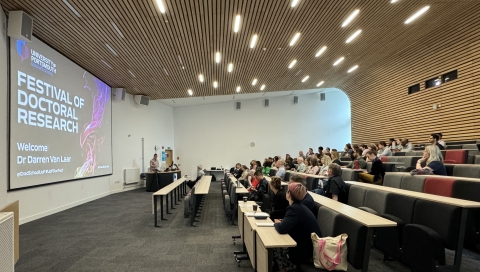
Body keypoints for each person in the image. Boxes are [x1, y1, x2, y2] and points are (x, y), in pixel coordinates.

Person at [273, 183, 322, 272]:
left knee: (278, 248)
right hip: (310, 245)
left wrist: (276, 223)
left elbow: (281, 229)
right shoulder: (299, 206)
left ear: (288, 194)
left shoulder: (293, 209)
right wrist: (283, 222)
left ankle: (284, 269)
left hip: (306, 251)